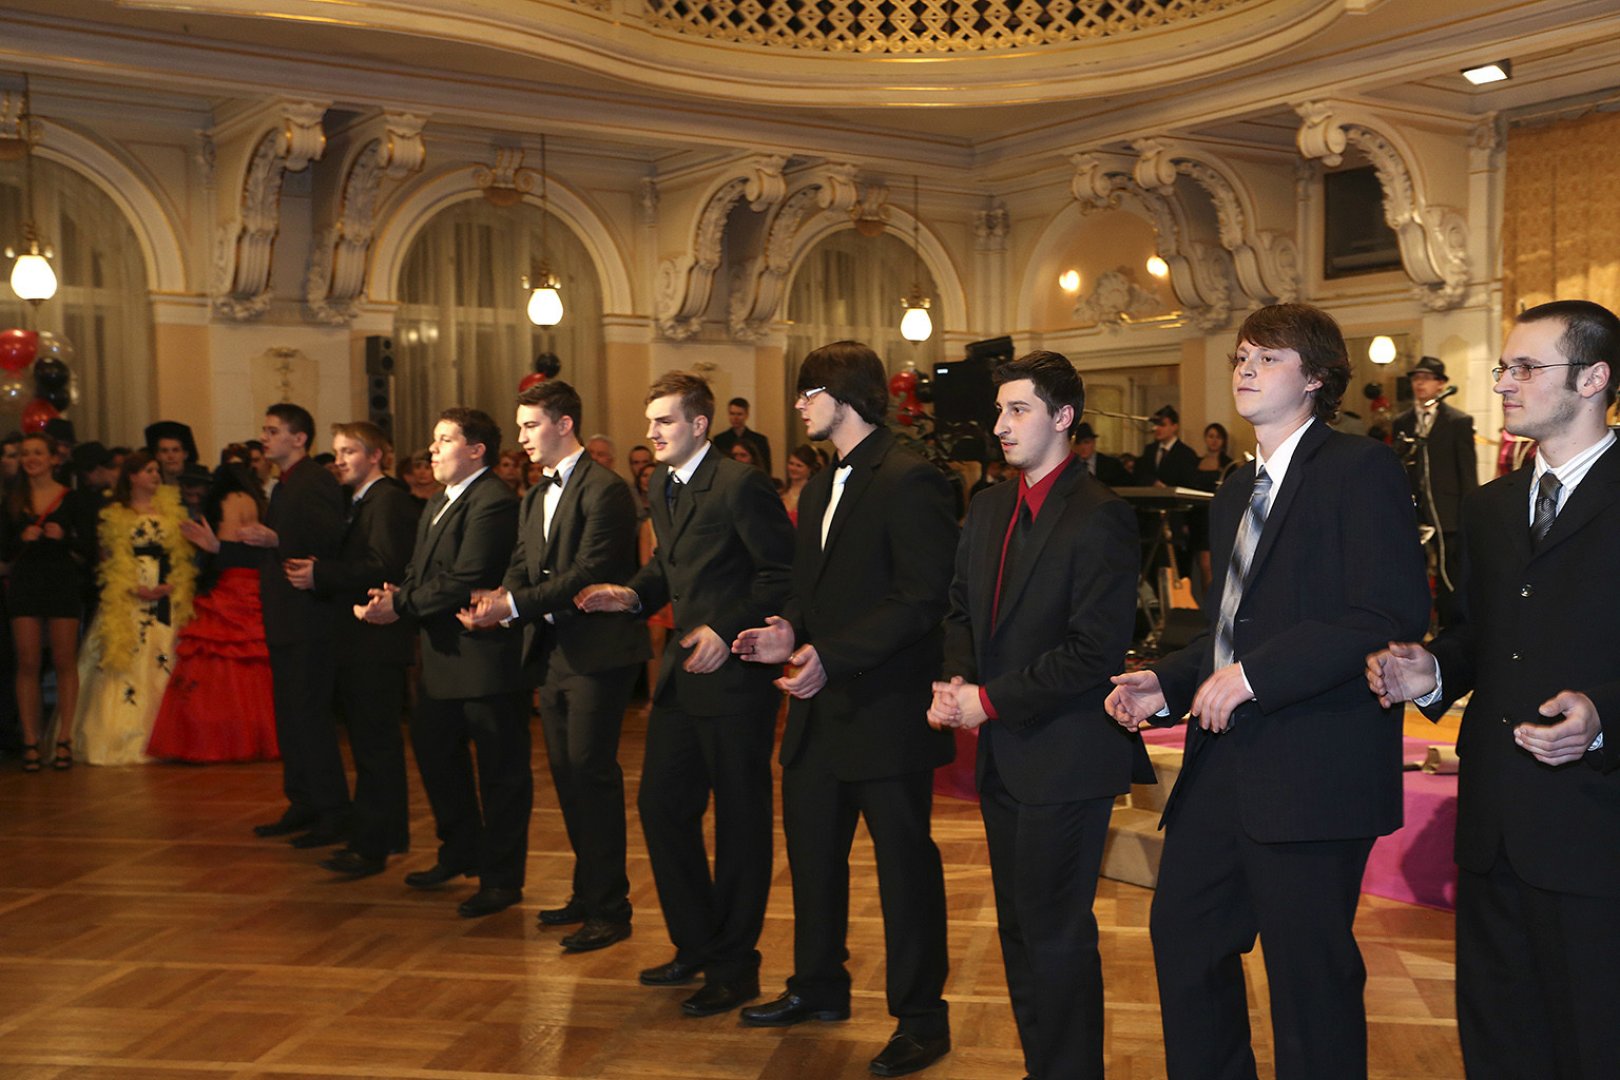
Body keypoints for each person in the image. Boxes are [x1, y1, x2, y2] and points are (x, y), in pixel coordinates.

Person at [1104, 303, 1429, 1080]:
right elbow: (1232, 628)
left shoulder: (1360, 468)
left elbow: (1386, 613)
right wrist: (1167, 681)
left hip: (1315, 764)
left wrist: (1253, 678)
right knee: (1184, 937)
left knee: (1308, 980)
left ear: (1316, 378)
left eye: (1269, 357)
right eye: (1241, 356)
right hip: (1224, 763)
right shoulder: (1234, 490)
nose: (1246, 368)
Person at [1366, 299, 1620, 1080]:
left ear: (1594, 379)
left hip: (1596, 827)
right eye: (1505, 367)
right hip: (1493, 827)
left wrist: (1604, 715)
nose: (1504, 382)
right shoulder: (1490, 505)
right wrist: (1434, 670)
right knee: (1499, 1042)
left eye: (1526, 367)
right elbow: (1479, 633)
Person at [731, 342, 956, 1075]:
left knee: (904, 876)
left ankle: (922, 1020)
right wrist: (788, 631)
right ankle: (818, 985)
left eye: (809, 392)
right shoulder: (822, 484)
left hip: (886, 713)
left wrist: (832, 653)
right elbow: (813, 590)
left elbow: (922, 598)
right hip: (819, 711)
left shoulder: (910, 477)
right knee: (813, 860)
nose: (799, 405)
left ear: (847, 394)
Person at [928, 351, 1146, 1080]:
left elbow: (1091, 652)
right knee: (1020, 928)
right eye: (999, 410)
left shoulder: (1102, 514)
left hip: (1067, 755)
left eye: (1018, 410)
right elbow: (961, 609)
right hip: (1005, 755)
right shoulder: (991, 505)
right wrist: (957, 679)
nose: (1000, 425)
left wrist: (986, 702)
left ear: (1063, 417)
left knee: (1055, 933)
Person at [576, 370, 792, 1018]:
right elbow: (668, 568)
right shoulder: (661, 484)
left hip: (737, 677)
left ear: (700, 424)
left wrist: (727, 630)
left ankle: (736, 968)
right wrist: (631, 594)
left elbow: (781, 574)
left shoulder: (741, 483)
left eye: (664, 420)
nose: (652, 432)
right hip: (683, 674)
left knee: (740, 825)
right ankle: (696, 944)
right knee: (662, 807)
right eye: (651, 421)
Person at [461, 379, 649, 951]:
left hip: (599, 652)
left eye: (530, 425)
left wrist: (513, 605)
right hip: (554, 652)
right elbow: (523, 563)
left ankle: (611, 908)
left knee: (591, 772)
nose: (520, 437)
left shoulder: (606, 488)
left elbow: (587, 571)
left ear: (563, 424)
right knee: (568, 775)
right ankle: (588, 892)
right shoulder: (535, 494)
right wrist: (499, 602)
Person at [358, 407, 527, 918]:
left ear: (476, 450)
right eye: (434, 439)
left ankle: (502, 879)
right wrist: (396, 594)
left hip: (484, 661)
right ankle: (459, 851)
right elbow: (421, 570)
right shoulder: (437, 501)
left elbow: (467, 577)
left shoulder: (493, 500)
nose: (432, 449)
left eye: (445, 439)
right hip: (440, 659)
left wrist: (402, 605)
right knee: (436, 757)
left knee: (500, 774)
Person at [288, 422, 419, 879]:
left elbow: (385, 566)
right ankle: (377, 838)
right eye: (337, 452)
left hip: (375, 642)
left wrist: (322, 574)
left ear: (376, 455)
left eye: (348, 452)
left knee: (375, 747)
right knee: (369, 746)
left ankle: (372, 846)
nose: (339, 461)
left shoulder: (387, 500)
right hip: (361, 641)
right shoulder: (362, 500)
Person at [245, 403, 350, 849]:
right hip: (287, 616)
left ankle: (332, 811)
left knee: (309, 717)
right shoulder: (286, 484)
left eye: (273, 430)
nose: (264, 437)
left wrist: (279, 539)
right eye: (265, 430)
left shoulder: (315, 480)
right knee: (290, 716)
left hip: (310, 618)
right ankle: (303, 801)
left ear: (299, 438)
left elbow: (331, 541)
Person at [147, 464, 280, 763]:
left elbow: (232, 547)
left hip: (231, 585)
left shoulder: (229, 499)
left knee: (220, 658)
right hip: (253, 585)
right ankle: (255, 735)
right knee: (252, 662)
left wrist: (212, 548)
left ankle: (218, 739)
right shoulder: (254, 500)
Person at [73, 452, 196, 765]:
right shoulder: (115, 513)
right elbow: (108, 557)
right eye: (148, 470)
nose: (155, 475)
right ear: (132, 476)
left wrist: (173, 583)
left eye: (157, 470)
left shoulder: (171, 510)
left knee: (164, 658)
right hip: (129, 597)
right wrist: (134, 587)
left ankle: (168, 736)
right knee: (124, 660)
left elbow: (181, 554)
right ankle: (120, 738)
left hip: (166, 597)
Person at [3, 432, 98, 771]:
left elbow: (90, 548)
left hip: (61, 582)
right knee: (27, 661)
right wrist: (21, 538)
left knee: (63, 660)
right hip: (26, 583)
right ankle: (31, 740)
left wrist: (65, 537)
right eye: (25, 453)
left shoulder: (73, 499)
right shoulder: (12, 500)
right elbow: (4, 549)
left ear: (53, 459)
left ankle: (64, 738)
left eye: (38, 453)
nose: (31, 459)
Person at [1392, 356, 1478, 629]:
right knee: (1411, 571)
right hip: (1413, 510)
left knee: (1449, 573)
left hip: (1447, 512)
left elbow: (1467, 472)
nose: (1420, 384)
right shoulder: (1403, 421)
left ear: (1441, 384)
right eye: (1416, 379)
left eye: (1426, 379)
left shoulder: (1458, 421)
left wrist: (1468, 513)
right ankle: (1415, 626)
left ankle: (1450, 628)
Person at [1189, 421, 1237, 593]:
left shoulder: (1229, 465)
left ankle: (1215, 601)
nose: (1214, 440)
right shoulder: (1195, 462)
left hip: (1218, 518)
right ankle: (1206, 602)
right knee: (1201, 565)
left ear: (1223, 441)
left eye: (1218, 437)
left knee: (1212, 564)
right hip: (1198, 518)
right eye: (1210, 436)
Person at [1135, 405, 1199, 488]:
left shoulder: (1186, 454)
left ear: (1174, 427)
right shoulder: (1149, 450)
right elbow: (1142, 475)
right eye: (1156, 424)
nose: (1157, 428)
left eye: (1162, 425)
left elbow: (1189, 484)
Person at [712, 396, 773, 476]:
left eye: (739, 414)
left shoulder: (760, 440)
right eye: (732, 414)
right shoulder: (720, 440)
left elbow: (766, 468)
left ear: (746, 415)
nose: (735, 418)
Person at [1073, 422, 1130, 486]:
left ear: (1093, 443)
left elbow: (1128, 485)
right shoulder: (1070, 466)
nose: (1082, 447)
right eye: (1078, 443)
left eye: (1086, 442)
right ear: (1074, 446)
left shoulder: (1111, 465)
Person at [144, 420, 198, 486]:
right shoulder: (150, 488)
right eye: (164, 451)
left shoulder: (198, 488)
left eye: (175, 450)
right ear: (157, 455)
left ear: (185, 454)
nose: (170, 456)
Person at [779, 444, 819, 527]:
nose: (793, 468)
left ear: (810, 469)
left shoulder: (815, 496)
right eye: (791, 463)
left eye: (799, 466)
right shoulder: (780, 494)